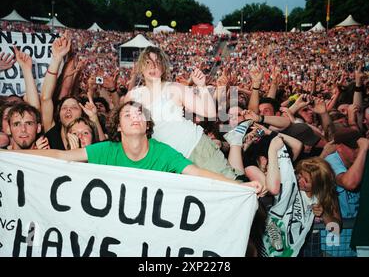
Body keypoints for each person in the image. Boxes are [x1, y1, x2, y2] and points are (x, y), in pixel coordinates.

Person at [2, 101, 262, 193]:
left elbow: (199, 173)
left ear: (147, 124)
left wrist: (239, 186)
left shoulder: (163, 152)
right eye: (127, 115)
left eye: (139, 114)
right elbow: (61, 155)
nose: (135, 117)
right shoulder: (107, 150)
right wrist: (10, 155)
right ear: (118, 127)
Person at [125, 46, 243, 180]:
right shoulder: (133, 96)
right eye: (148, 62)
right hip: (166, 163)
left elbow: (210, 113)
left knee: (230, 185)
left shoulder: (175, 88)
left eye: (157, 62)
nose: (153, 66)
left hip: (196, 148)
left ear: (163, 68)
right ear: (140, 67)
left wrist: (202, 86)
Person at [261, 136, 341, 257]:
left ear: (319, 185)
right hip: (275, 244)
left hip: (309, 244)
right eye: (300, 175)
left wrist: (323, 213)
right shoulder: (290, 184)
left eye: (306, 180)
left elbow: (336, 229)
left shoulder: (324, 196)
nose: (301, 180)